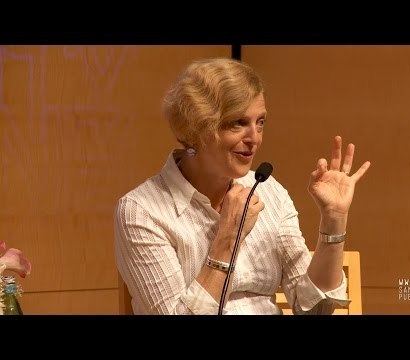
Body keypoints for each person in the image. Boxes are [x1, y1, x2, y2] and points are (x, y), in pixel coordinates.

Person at [114, 58, 371, 315]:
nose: (254, 139)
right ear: (196, 128)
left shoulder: (269, 191)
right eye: (238, 122)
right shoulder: (141, 212)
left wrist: (334, 219)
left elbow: (315, 309)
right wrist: (228, 236)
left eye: (260, 122)